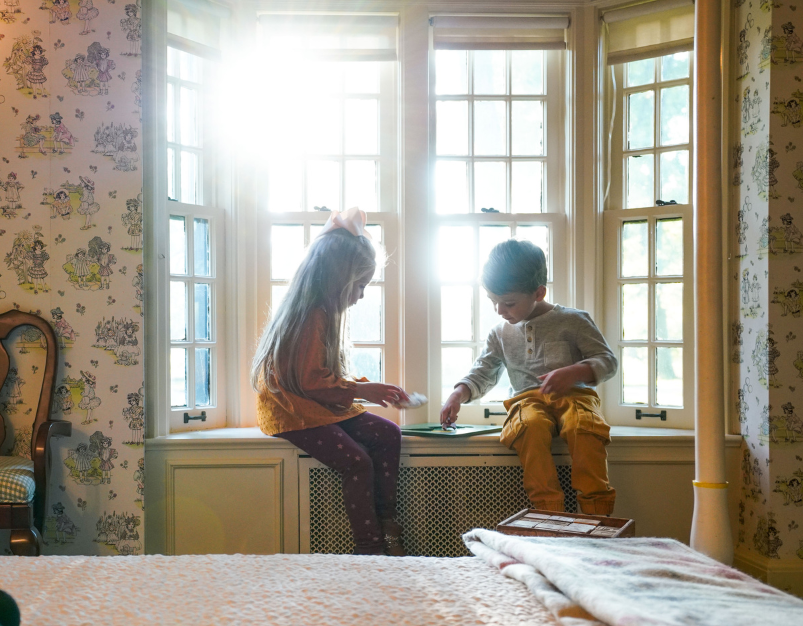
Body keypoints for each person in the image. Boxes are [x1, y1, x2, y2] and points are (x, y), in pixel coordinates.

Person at [251, 207, 407, 556]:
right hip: (293, 410)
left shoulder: (324, 312)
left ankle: (386, 524)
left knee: (387, 434)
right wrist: (362, 391)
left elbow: (320, 376)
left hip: (315, 405)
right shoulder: (312, 314)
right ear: (339, 279)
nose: (362, 295)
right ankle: (369, 548)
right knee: (356, 461)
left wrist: (367, 388)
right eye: (360, 285)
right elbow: (309, 382)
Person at [439, 239, 618, 515]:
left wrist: (574, 372)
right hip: (526, 402)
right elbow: (484, 370)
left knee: (584, 428)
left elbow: (608, 361)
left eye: (508, 303)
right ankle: (549, 515)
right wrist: (458, 393)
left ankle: (597, 515)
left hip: (576, 399)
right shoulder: (500, 333)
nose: (499, 310)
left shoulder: (574, 321)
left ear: (538, 292)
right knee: (529, 428)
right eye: (493, 302)